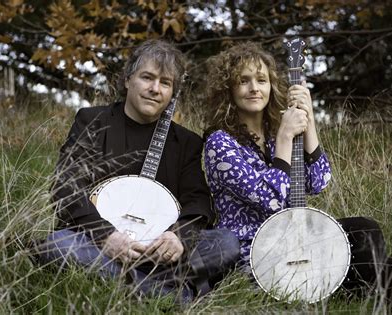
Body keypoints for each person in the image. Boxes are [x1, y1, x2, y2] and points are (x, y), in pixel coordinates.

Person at [202, 41, 392, 302]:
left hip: (297, 239)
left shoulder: (274, 134)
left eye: (261, 80)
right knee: (390, 271)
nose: (254, 88)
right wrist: (285, 137)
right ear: (229, 89)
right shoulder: (220, 142)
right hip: (256, 250)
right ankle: (369, 293)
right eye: (243, 81)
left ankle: (370, 291)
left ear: (271, 86)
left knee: (365, 231)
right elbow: (269, 199)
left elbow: (319, 181)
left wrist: (309, 120)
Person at [33, 39, 239, 302]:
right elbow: (65, 187)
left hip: (160, 251)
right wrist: (106, 236)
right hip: (100, 244)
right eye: (147, 77)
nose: (155, 89)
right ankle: (169, 294)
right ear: (128, 79)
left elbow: (198, 201)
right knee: (58, 245)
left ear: (173, 92)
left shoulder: (186, 142)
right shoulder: (93, 121)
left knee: (228, 243)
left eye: (165, 83)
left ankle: (124, 283)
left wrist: (179, 238)